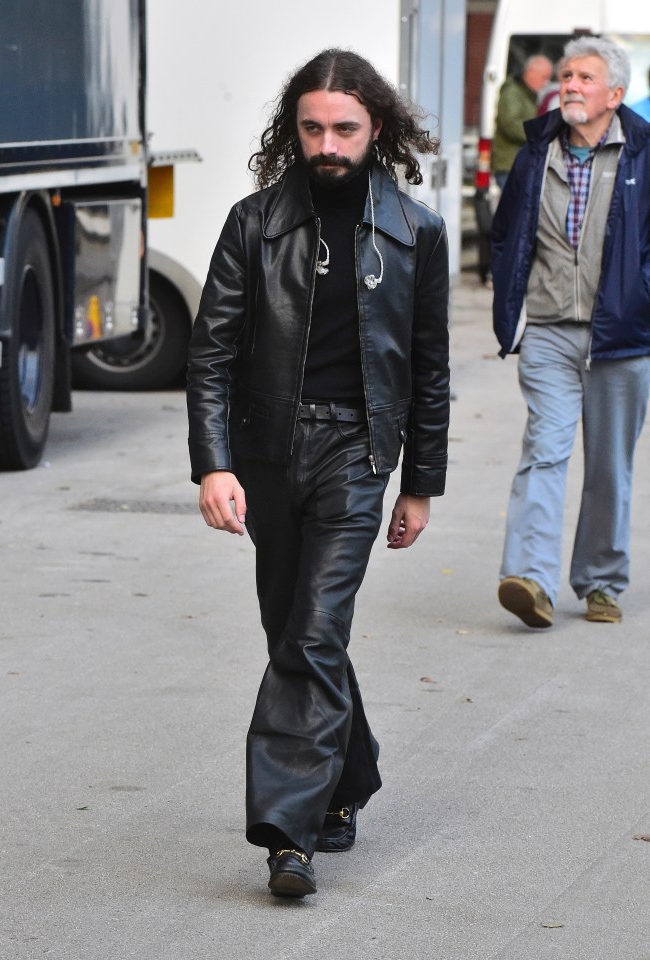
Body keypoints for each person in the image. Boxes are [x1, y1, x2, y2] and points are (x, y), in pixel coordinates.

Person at [186, 48, 450, 898]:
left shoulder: (417, 232)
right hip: (267, 456)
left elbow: (430, 369)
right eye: (312, 128)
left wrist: (420, 483)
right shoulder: (252, 223)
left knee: (310, 632)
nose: (327, 143)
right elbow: (211, 356)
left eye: (344, 128)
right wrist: (214, 465)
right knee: (298, 631)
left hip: (357, 456)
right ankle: (349, 777)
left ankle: (286, 834)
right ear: (291, 131)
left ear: (378, 129)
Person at [492, 35, 650, 629]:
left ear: (615, 93)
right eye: (566, 75)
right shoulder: (538, 153)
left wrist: (641, 298)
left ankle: (601, 581)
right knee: (544, 451)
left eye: (585, 77)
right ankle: (530, 577)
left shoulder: (644, 153)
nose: (571, 85)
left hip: (623, 336)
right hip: (551, 330)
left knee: (609, 465)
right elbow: (509, 232)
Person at [491, 54, 554, 188]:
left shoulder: (529, 94)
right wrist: (540, 133)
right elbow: (511, 124)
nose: (546, 83)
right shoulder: (512, 93)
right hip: (510, 165)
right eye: (544, 77)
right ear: (530, 73)